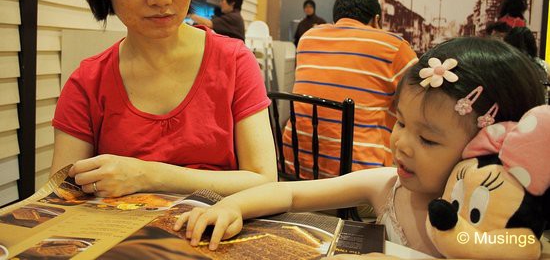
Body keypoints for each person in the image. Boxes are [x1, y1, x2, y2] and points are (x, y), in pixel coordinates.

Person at [174, 37, 546, 257]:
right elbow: (290, 194)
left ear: (489, 151)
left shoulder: (489, 231)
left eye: (428, 138)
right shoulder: (387, 187)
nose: (401, 142)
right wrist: (233, 205)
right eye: (400, 122)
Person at [50, 0, 277, 198]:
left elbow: (263, 180)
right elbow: (62, 197)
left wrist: (149, 174)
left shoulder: (234, 62)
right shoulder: (88, 82)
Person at [285, 0, 417, 179]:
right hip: (358, 183)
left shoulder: (308, 38)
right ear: (376, 20)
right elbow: (423, 96)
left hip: (295, 169)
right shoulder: (393, 46)